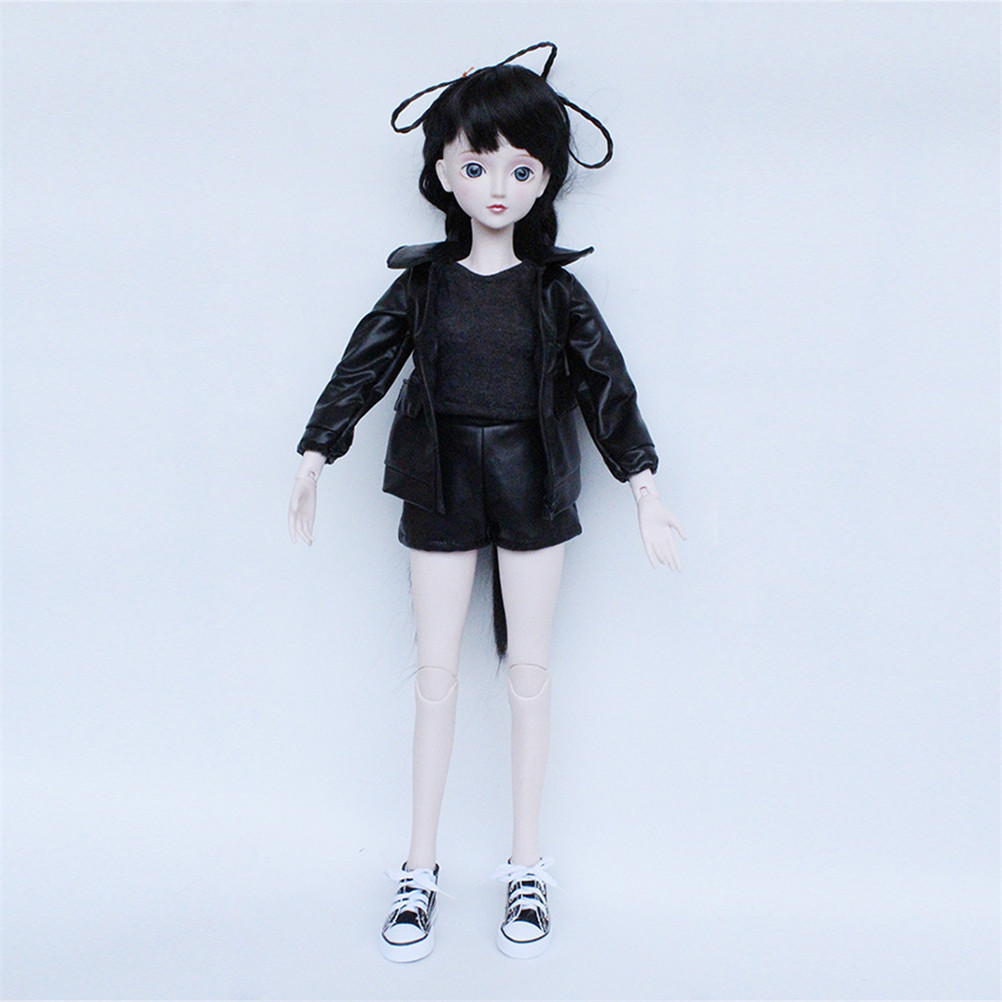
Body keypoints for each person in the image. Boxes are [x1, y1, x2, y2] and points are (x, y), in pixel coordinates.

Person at [287, 42, 684, 962]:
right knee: (434, 676)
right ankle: (419, 867)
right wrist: (316, 450)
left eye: (520, 168)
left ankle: (526, 865)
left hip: (533, 481)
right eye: (476, 165)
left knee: (529, 674)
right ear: (441, 172)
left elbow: (607, 386)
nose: (497, 186)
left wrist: (643, 483)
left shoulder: (556, 291)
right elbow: (364, 364)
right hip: (438, 480)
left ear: (545, 178)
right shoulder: (422, 285)